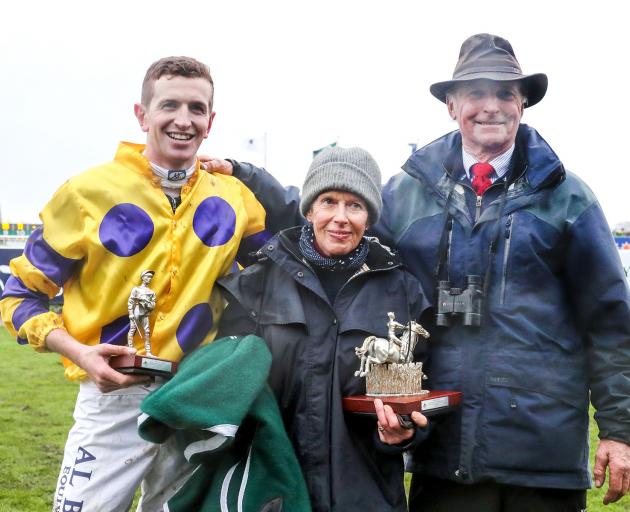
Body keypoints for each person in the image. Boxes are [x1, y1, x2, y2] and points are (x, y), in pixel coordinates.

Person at [204, 33, 630, 510]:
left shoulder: (569, 198)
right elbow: (336, 228)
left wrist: (619, 429)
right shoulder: (407, 194)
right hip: (439, 449)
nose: (491, 106)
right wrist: (249, 176)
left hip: (540, 454)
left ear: (523, 103)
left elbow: (611, 322)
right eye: (475, 93)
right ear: (452, 105)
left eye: (505, 93)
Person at [0, 56, 270, 512]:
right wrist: (80, 353)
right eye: (169, 105)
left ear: (211, 120)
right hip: (113, 394)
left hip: (195, 397)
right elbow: (19, 296)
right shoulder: (86, 193)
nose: (183, 120)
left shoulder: (235, 198)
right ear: (142, 115)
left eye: (197, 108)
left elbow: (280, 277)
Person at [216, 146, 430, 511]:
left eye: (355, 205)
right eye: (329, 201)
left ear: (370, 216)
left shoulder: (402, 291)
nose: (341, 218)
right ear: (310, 208)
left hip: (366, 495)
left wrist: (402, 434)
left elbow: (418, 392)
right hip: (273, 493)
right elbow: (226, 386)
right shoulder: (257, 283)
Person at [127, 270, 157, 356]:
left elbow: (153, 304)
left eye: (151, 277)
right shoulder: (136, 289)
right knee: (132, 329)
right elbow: (131, 301)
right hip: (136, 311)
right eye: (147, 276)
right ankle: (130, 350)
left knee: (147, 332)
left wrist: (148, 304)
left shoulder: (152, 292)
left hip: (145, 313)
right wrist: (131, 313)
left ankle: (148, 352)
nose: (149, 279)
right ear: (143, 277)